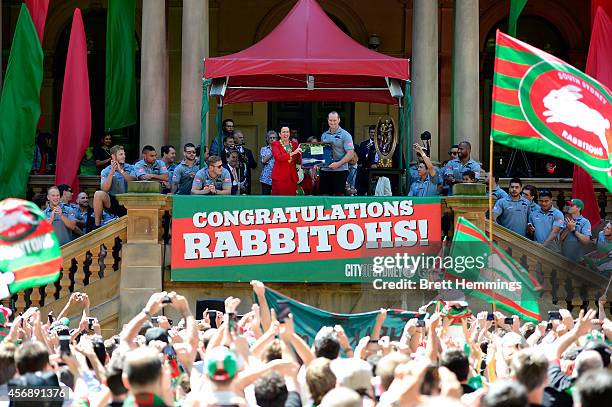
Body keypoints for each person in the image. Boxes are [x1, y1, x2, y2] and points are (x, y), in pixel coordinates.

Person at [93, 145, 136, 227]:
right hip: (114, 201)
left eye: (124, 154)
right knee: (98, 194)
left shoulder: (131, 168)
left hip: (129, 201)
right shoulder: (105, 171)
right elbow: (105, 189)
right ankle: (97, 226)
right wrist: (112, 172)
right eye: (121, 154)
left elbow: (133, 181)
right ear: (113, 156)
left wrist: (120, 171)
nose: (124, 156)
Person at [319, 111, 355, 196]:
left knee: (339, 197)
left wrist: (338, 164)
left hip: (340, 170)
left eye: (334, 120)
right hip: (325, 170)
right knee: (325, 195)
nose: (332, 122)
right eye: (330, 120)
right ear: (328, 120)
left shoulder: (345, 135)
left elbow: (350, 153)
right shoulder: (324, 135)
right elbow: (321, 152)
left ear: (339, 120)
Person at [271, 125, 301, 196]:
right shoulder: (275, 144)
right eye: (283, 132)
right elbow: (279, 157)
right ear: (279, 134)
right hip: (280, 178)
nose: (286, 134)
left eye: (287, 132)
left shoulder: (294, 144)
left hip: (292, 178)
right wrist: (294, 152)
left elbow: (299, 159)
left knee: (291, 202)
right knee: (279, 201)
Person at [356, 125, 378, 195]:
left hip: (379, 169)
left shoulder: (381, 144)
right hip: (366, 170)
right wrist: (367, 151)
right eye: (371, 132)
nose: (373, 134)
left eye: (374, 132)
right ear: (369, 133)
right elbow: (360, 158)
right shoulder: (363, 144)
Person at [234, 130, 257, 194]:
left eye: (242, 137)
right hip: (235, 177)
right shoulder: (231, 151)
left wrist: (247, 160)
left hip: (246, 178)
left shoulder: (247, 151)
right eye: (240, 138)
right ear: (235, 139)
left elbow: (254, 165)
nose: (242, 139)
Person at [260, 131, 277, 195]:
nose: (272, 139)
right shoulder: (264, 149)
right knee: (265, 197)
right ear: (267, 139)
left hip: (277, 177)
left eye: (274, 138)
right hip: (266, 178)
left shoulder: (280, 149)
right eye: (270, 138)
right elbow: (263, 161)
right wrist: (273, 151)